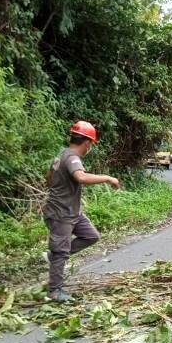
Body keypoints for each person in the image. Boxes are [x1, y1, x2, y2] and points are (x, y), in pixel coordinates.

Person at [42, 121, 120, 302]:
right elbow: (81, 177)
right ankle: (54, 291)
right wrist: (108, 178)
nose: (90, 147)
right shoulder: (72, 158)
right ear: (86, 142)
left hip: (72, 212)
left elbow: (48, 177)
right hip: (61, 213)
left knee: (91, 236)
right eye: (91, 143)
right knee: (61, 252)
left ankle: (53, 256)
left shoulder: (61, 154)